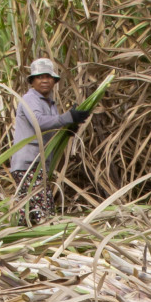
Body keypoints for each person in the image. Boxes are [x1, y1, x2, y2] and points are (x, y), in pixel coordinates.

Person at [10, 58, 91, 225]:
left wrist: (68, 129)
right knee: (44, 213)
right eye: (40, 77)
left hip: (38, 163)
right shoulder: (30, 99)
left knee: (28, 214)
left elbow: (50, 128)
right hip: (29, 164)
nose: (44, 80)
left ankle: (26, 245)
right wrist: (67, 117)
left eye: (48, 76)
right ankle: (47, 245)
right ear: (32, 81)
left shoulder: (50, 104)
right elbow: (39, 121)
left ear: (54, 80)